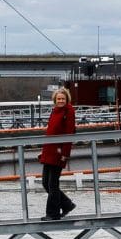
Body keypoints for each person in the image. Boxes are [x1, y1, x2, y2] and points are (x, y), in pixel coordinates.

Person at [39, 86, 78, 220]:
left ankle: (53, 213)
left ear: (67, 99)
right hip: (49, 151)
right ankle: (67, 205)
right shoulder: (54, 111)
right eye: (58, 99)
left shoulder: (69, 111)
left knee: (52, 184)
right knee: (45, 183)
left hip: (58, 152)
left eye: (63, 99)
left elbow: (69, 133)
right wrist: (43, 152)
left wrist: (65, 154)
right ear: (55, 100)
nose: (60, 101)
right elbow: (50, 132)